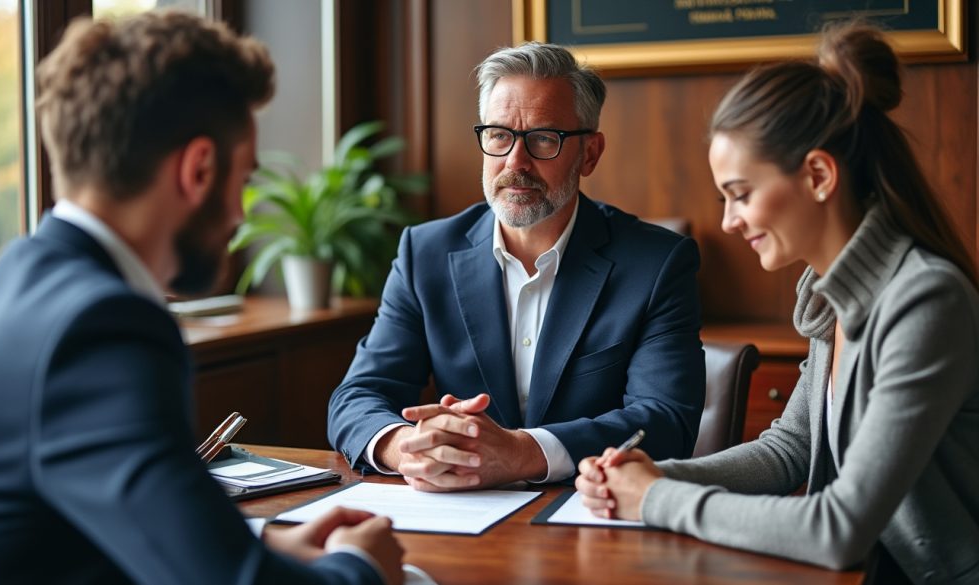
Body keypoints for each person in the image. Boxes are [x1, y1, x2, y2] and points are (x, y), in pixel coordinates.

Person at [0, 11, 404, 585]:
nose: (240, 217)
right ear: (199, 169)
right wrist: (361, 567)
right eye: (244, 182)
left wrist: (270, 546)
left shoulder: (21, 278)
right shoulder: (101, 324)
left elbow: (117, 530)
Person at [576, 23, 979, 584]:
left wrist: (654, 499)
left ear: (818, 175)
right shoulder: (833, 294)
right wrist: (655, 476)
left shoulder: (925, 301)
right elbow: (788, 451)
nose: (728, 221)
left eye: (741, 194)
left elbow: (839, 528)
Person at [327, 42, 705, 492]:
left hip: (586, 509)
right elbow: (358, 395)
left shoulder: (657, 264)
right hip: (459, 511)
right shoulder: (424, 253)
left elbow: (666, 421)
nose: (515, 162)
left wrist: (522, 452)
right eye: (499, 135)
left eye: (543, 138)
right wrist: (407, 446)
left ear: (589, 153)